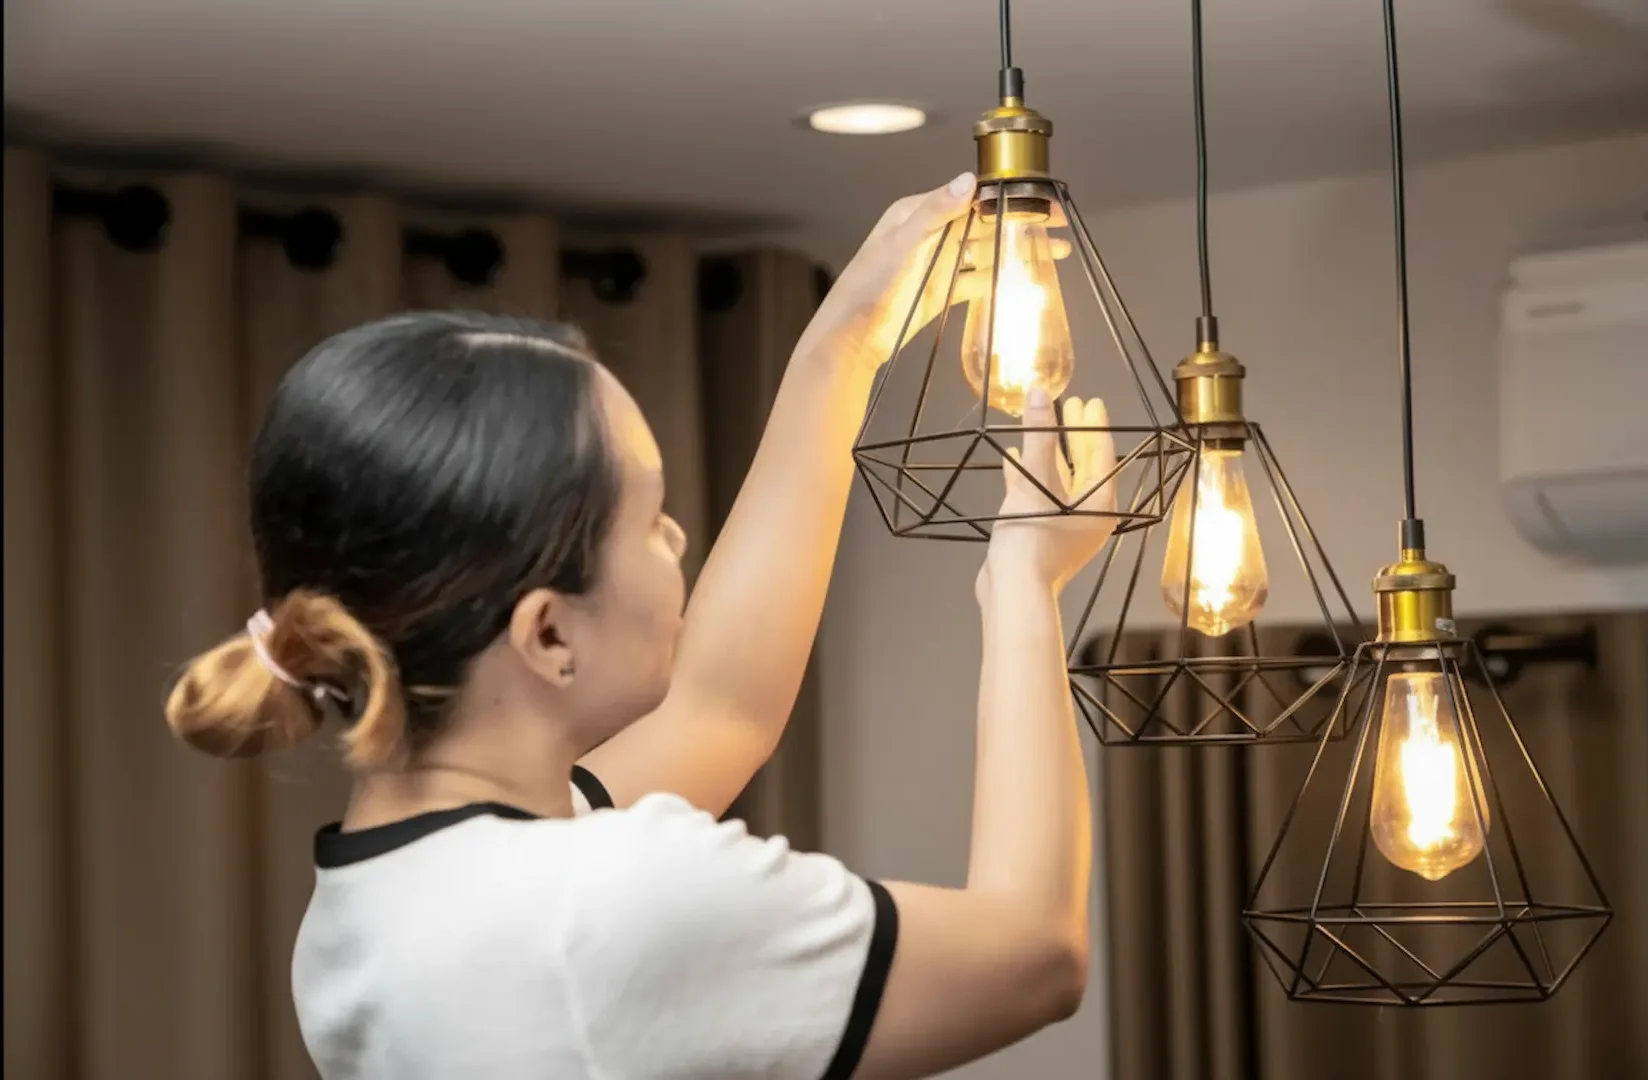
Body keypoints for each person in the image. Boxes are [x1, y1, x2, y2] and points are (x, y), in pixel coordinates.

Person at [166, 171, 1120, 1080]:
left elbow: (725, 706)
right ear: (546, 635)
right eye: (649, 519)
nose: (679, 538)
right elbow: (1034, 954)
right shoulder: (605, 912)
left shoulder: (397, 889)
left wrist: (843, 352)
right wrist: (1024, 583)